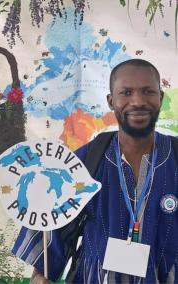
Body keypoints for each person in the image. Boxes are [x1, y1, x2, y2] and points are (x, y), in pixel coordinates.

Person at [12, 59, 178, 283]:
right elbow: (50, 220)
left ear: (161, 97)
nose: (138, 101)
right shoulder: (87, 159)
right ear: (111, 101)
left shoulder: (174, 155)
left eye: (148, 91)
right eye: (126, 92)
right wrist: (40, 274)